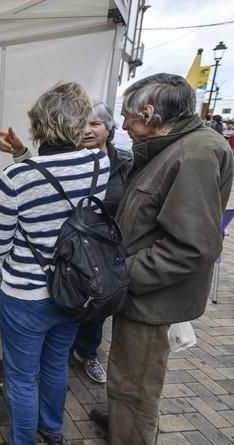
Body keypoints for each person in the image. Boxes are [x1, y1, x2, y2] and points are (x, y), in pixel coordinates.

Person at [90, 73, 233, 444]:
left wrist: (123, 273)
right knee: (127, 373)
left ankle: (131, 432)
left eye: (127, 114)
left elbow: (193, 247)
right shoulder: (174, 146)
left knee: (135, 384)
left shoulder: (195, 153)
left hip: (153, 296)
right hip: (144, 290)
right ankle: (123, 422)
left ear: (150, 113)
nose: (121, 124)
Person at [0, 82, 110, 445]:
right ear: (78, 125)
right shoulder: (97, 164)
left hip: (25, 295)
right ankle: (52, 429)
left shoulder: (16, 177)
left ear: (38, 127)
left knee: (22, 376)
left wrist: (23, 158)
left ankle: (22, 441)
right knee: (55, 363)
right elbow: (59, 186)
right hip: (75, 290)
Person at [70, 101, 133, 384]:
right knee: (70, 301)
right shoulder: (69, 160)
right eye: (81, 124)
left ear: (109, 127)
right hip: (73, 247)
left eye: (94, 124)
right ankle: (63, 351)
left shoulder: (125, 162)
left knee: (99, 305)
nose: (86, 130)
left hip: (107, 248)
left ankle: (88, 353)